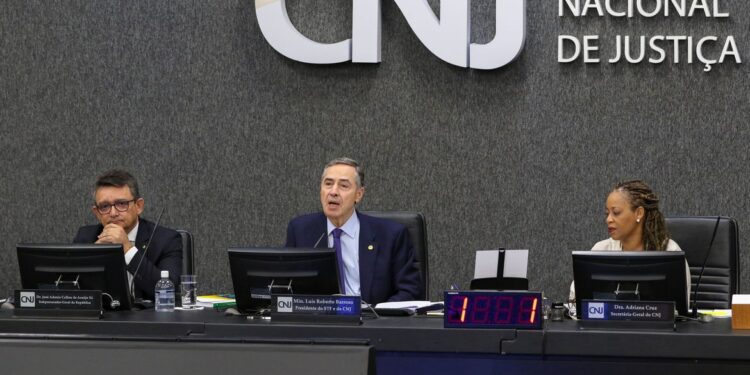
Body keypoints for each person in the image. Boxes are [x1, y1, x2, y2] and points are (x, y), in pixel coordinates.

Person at [285, 157, 422, 305]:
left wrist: (377, 314)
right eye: (328, 184)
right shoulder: (300, 231)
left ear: (359, 194)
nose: (333, 192)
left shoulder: (391, 235)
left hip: (371, 323)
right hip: (319, 323)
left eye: (343, 186)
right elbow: (286, 287)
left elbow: (410, 291)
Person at [570, 180, 688, 301]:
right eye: (607, 213)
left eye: (616, 212)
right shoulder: (600, 250)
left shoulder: (669, 252)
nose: (608, 219)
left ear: (639, 213)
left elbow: (679, 310)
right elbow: (575, 301)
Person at [73, 169, 182, 300]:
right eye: (105, 206)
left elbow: (167, 291)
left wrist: (127, 249)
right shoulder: (86, 237)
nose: (113, 213)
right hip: (104, 319)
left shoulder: (166, 240)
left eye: (121, 204)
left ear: (139, 206)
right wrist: (95, 255)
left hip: (148, 319)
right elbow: (72, 290)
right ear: (97, 213)